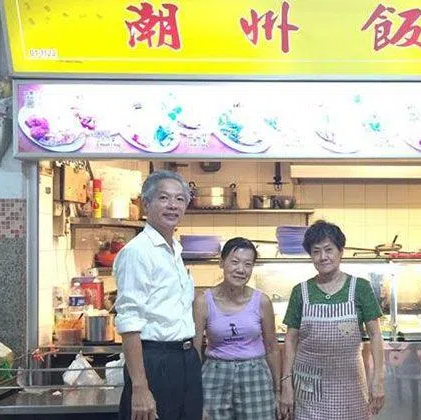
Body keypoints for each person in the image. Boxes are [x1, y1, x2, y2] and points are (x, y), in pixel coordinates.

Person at [114, 170, 202, 420]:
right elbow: (129, 322)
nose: (173, 205)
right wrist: (140, 387)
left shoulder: (174, 250)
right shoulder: (138, 252)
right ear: (146, 203)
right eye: (164, 198)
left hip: (185, 360)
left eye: (180, 199)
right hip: (156, 361)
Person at [279, 220, 385, 419]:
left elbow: (375, 335)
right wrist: (286, 384)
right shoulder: (300, 291)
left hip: (350, 384)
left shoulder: (360, 288)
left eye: (329, 250)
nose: (323, 257)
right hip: (308, 385)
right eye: (316, 251)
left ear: (341, 251)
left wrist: (379, 379)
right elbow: (291, 340)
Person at [193, 237, 280, 420]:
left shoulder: (262, 301)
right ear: (221, 263)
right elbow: (195, 349)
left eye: (248, 264)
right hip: (215, 375)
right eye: (234, 262)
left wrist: (278, 391)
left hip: (255, 375)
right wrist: (193, 394)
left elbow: (272, 348)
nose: (241, 269)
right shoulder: (203, 301)